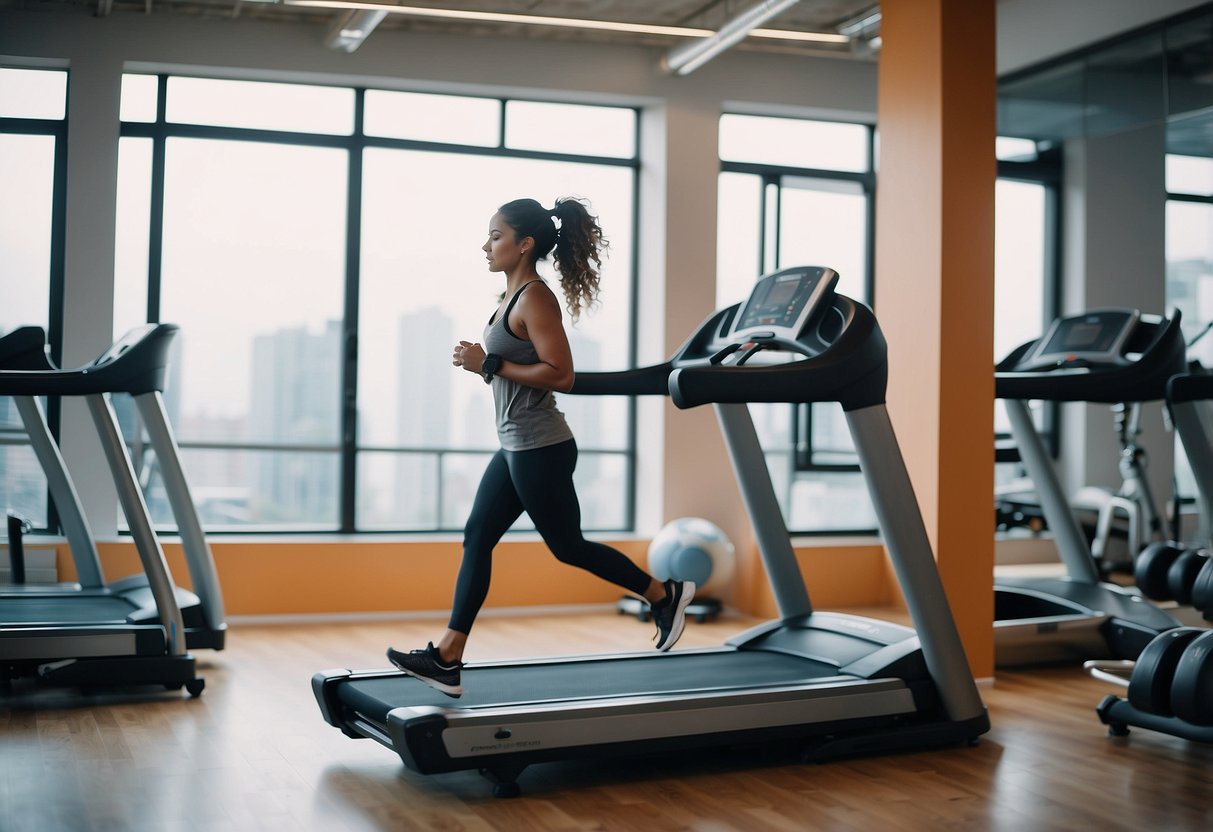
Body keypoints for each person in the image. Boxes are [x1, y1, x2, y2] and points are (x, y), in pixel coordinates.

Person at [387, 196, 694, 697]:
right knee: (478, 537)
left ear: (524, 243)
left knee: (566, 547)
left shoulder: (535, 297)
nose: (486, 244)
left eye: (495, 235)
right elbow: (516, 373)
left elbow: (562, 375)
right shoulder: (511, 296)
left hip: (541, 447)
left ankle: (664, 594)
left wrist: (488, 364)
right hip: (515, 446)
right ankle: (447, 657)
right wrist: (487, 365)